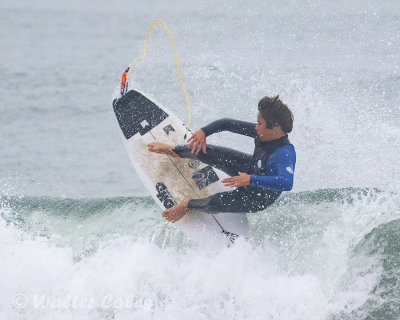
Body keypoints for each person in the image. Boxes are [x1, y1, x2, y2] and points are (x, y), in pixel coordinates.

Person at [147, 95, 296, 223]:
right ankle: (175, 151)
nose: (256, 127)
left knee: (216, 202)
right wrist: (204, 132)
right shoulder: (262, 132)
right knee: (206, 150)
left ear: (275, 127)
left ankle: (186, 205)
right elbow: (227, 123)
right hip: (250, 170)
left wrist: (250, 179)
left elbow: (286, 182)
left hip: (258, 197)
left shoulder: (284, 152)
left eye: (260, 124)